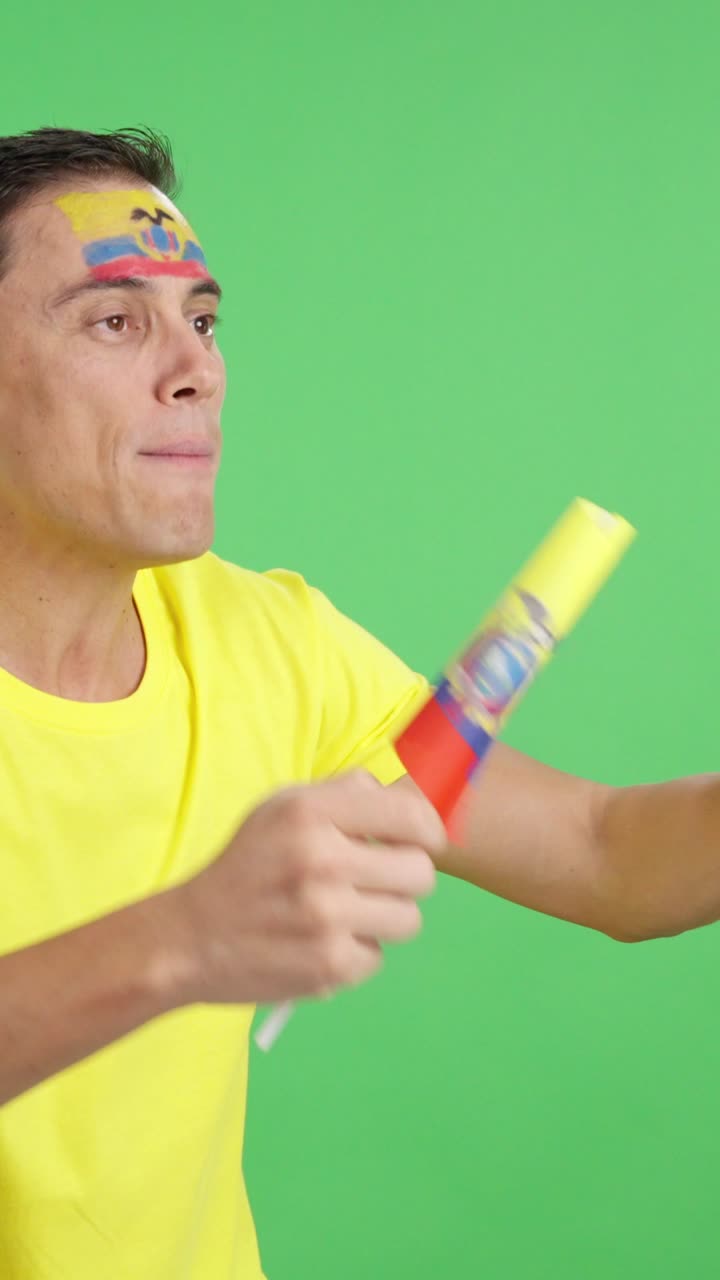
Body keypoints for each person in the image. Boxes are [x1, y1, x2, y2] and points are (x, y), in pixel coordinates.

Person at [0, 125, 715, 1280]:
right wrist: (185, 938)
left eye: (205, 319)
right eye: (116, 320)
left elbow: (605, 850)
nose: (196, 367)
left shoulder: (264, 640)